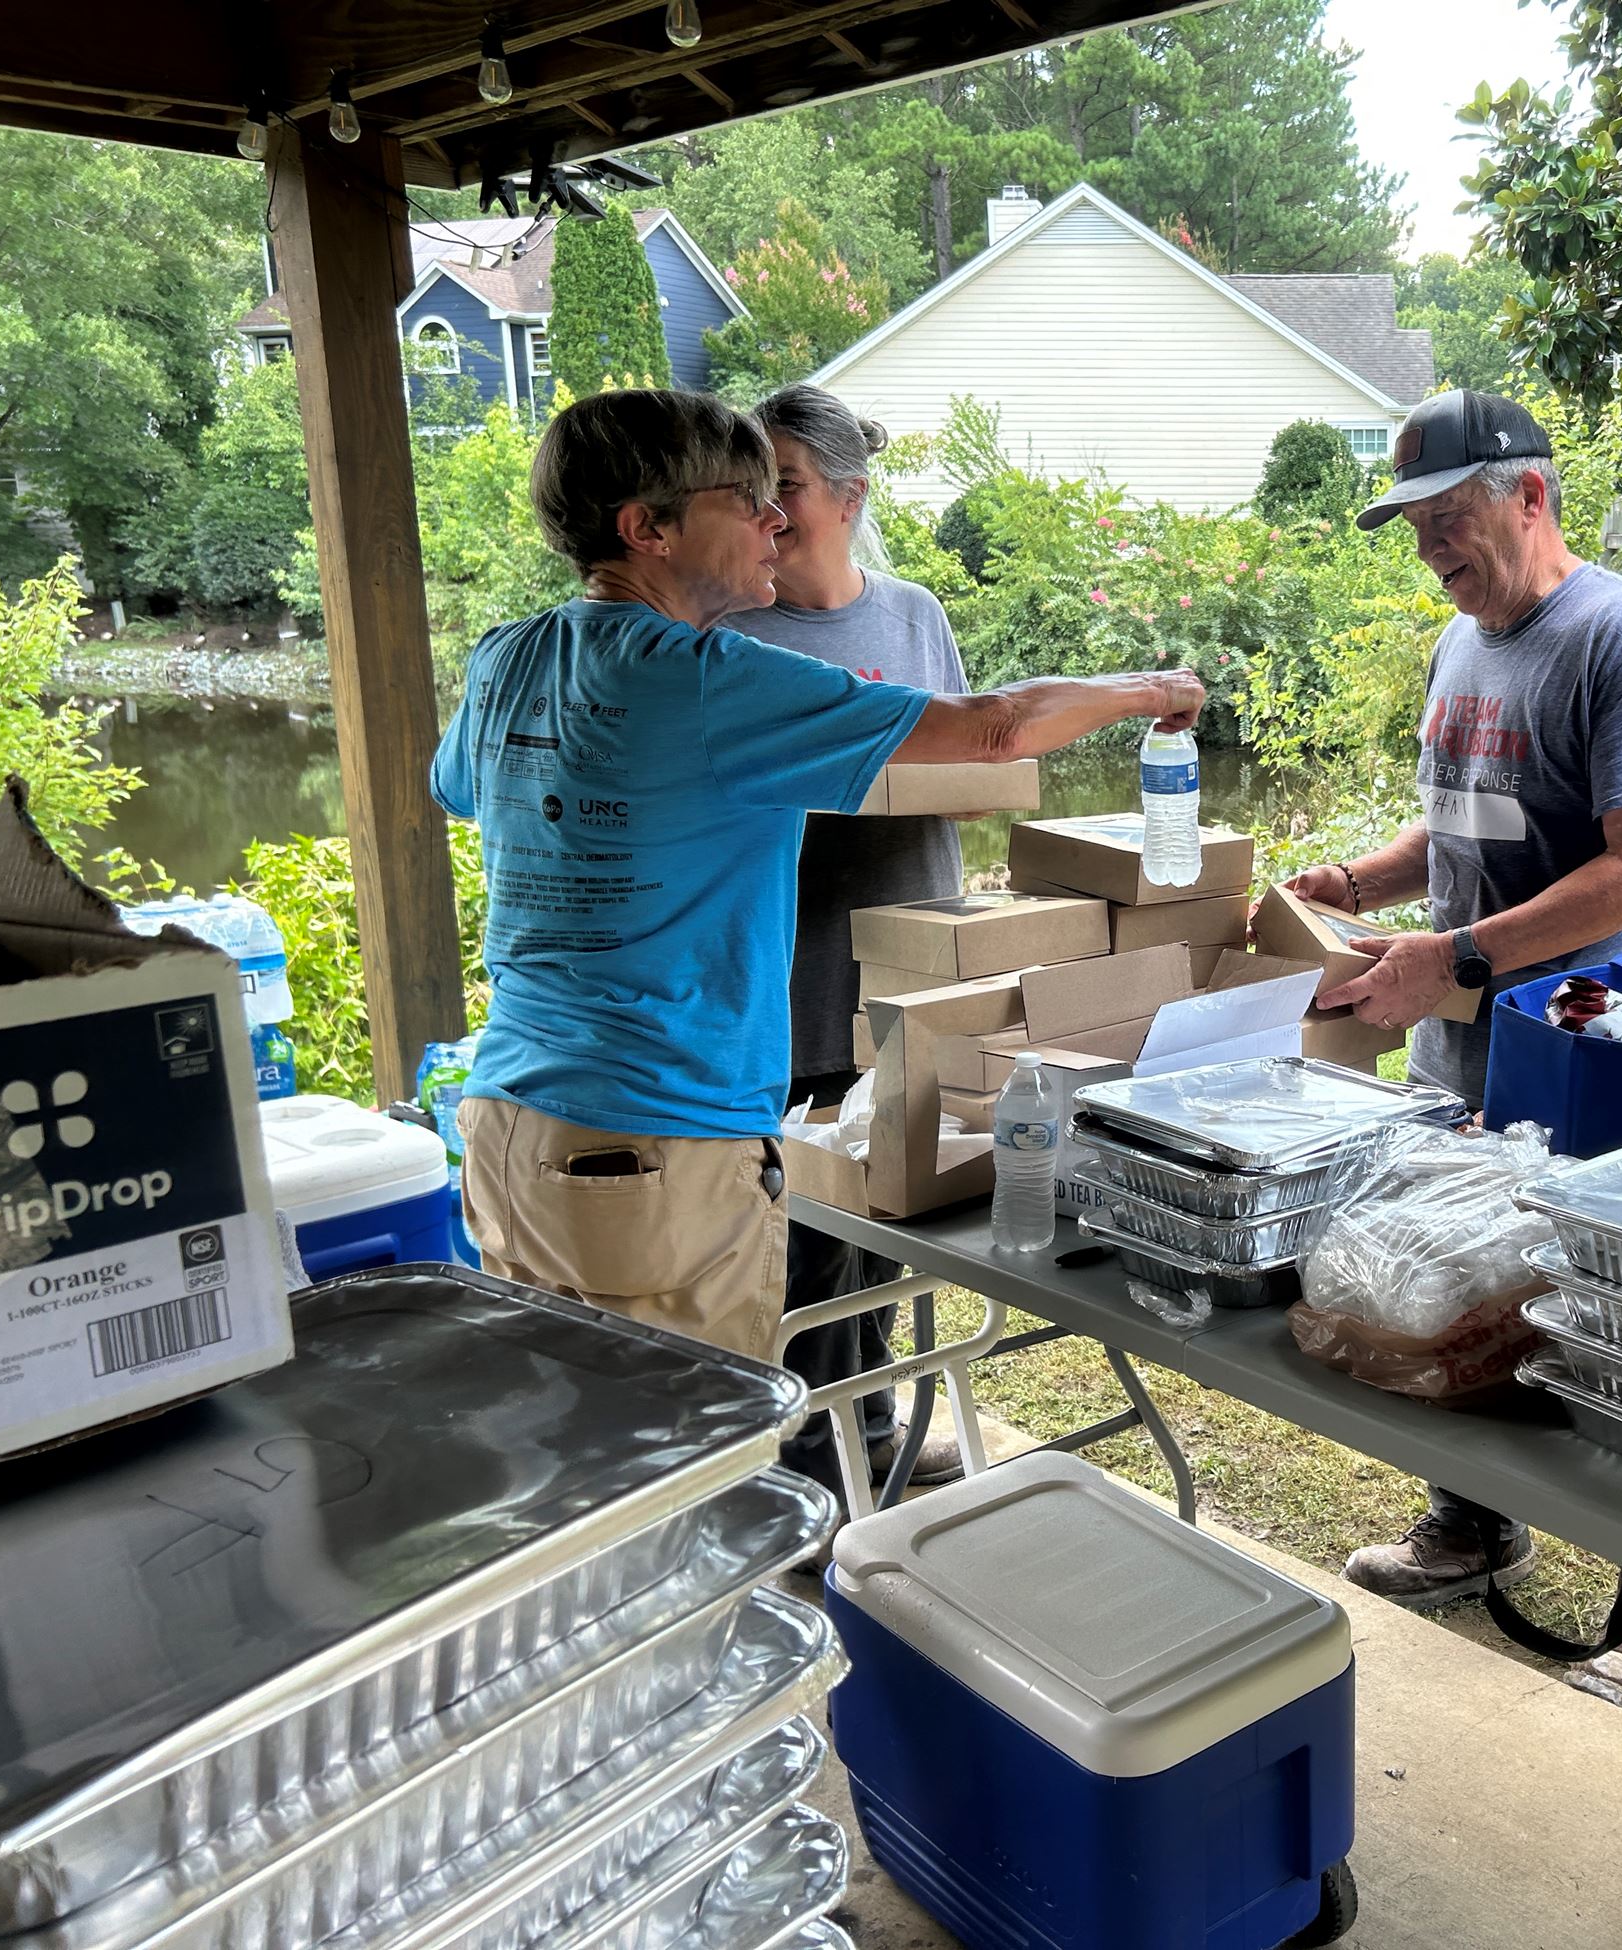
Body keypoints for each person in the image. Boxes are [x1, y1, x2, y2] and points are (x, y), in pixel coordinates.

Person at [432, 388, 1203, 1368]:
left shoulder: (506, 657)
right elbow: (994, 728)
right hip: (657, 1141)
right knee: (695, 1441)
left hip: (508, 1119)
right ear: (647, 529)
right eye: (743, 498)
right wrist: (1154, 689)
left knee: (569, 1427)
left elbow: (463, 789)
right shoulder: (712, 676)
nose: (772, 520)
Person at [1281, 389, 1622, 1719]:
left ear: (1530, 494)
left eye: (1445, 517)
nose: (1427, 548)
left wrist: (1458, 958)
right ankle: (1472, 1523)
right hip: (1464, 1049)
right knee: (1455, 1283)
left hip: (1593, 1052)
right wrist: (1362, 880)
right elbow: (1461, 818)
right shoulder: (1461, 645)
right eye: (1411, 525)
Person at [718, 384, 970, 1502]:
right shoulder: (731, 631)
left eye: (788, 485)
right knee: (804, 1240)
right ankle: (815, 1476)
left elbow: (975, 757)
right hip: (795, 975)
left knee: (889, 1229)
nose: (768, 512)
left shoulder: (913, 616)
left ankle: (874, 1428)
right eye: (753, 490)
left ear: (851, 497)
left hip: (914, 960)